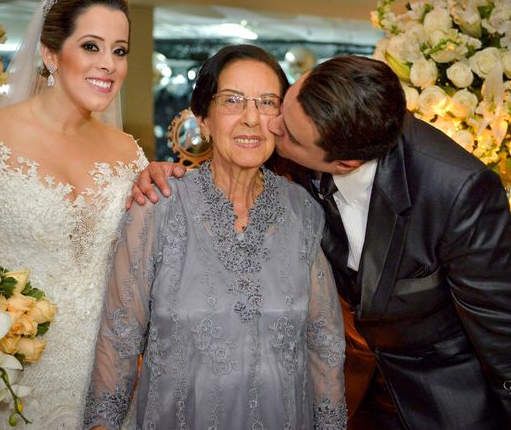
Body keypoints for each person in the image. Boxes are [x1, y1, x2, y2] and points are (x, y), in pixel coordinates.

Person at [135, 55, 511, 430]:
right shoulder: (303, 129)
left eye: (288, 134)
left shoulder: (456, 190)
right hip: (341, 390)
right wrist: (168, 171)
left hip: (441, 397)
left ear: (343, 163)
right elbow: (232, 151)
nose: (270, 125)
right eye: (283, 104)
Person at [83, 44, 347, 430]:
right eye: (233, 101)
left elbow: (324, 342)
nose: (252, 119)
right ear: (203, 117)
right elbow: (119, 336)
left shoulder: (303, 210)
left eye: (267, 102)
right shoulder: (158, 206)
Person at [0, 0, 148, 428]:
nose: (108, 65)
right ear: (51, 54)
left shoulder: (128, 153)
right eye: (91, 46)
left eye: (120, 51)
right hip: (15, 376)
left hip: (108, 375)